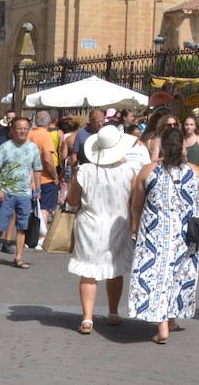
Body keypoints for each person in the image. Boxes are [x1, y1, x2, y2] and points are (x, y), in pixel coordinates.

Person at [128, 127, 199, 344]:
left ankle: (164, 324)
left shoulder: (148, 171)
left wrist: (135, 227)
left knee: (158, 275)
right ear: (183, 146)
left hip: (153, 232)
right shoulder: (195, 172)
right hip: (184, 234)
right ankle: (170, 319)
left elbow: (136, 205)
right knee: (179, 273)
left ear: (163, 147)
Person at [68, 124, 140, 334]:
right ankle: (113, 311)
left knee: (87, 271)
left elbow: (72, 200)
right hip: (118, 223)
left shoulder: (85, 170)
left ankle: (88, 318)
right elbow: (135, 202)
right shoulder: (129, 171)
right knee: (114, 268)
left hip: (89, 223)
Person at [0, 116, 41, 269]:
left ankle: (18, 257)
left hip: (25, 193)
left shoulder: (33, 148)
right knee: (0, 226)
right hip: (6, 192)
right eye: (19, 128)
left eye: (25, 128)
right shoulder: (5, 147)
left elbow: (37, 169)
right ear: (13, 130)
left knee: (22, 227)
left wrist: (38, 188)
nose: (22, 131)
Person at [27, 111, 60, 235]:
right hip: (44, 177)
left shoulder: (29, 134)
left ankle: (29, 235)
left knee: (30, 208)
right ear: (49, 122)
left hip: (29, 177)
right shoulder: (46, 136)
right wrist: (55, 176)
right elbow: (47, 159)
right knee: (44, 208)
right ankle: (39, 236)